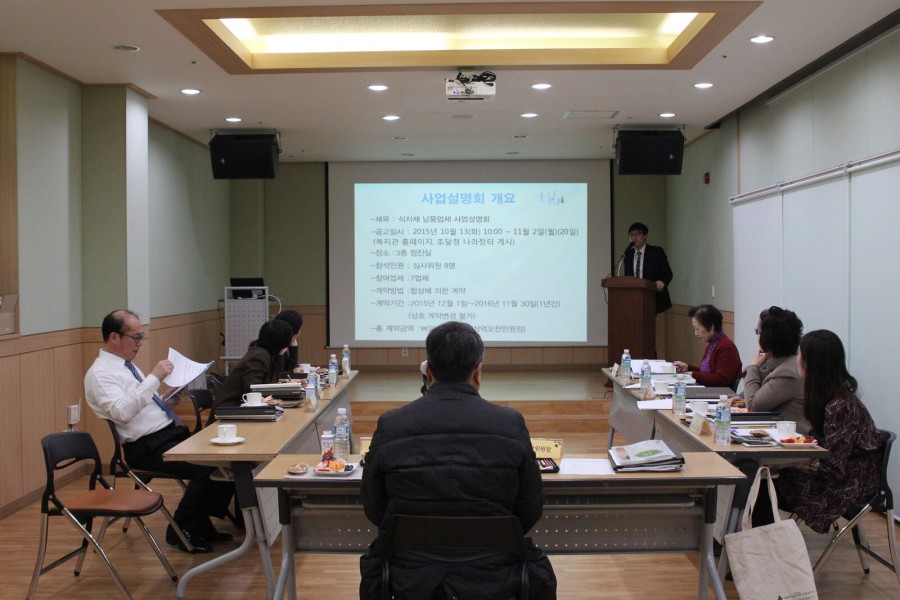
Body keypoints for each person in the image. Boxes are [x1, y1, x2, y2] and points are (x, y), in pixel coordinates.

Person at [359, 321, 557, 600]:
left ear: (428, 371)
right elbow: (530, 509)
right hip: (494, 575)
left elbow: (374, 507)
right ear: (478, 371)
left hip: (410, 576)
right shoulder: (510, 423)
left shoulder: (392, 424)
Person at [84, 309, 234, 553]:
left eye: (141, 337)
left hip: (167, 435)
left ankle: (199, 522)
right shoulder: (100, 374)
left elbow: (139, 404)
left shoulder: (126, 366)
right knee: (210, 468)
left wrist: (165, 401)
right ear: (114, 337)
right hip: (146, 448)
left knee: (228, 456)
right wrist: (154, 377)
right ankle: (180, 530)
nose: (140, 344)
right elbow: (122, 412)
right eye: (136, 338)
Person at [757, 330, 883, 532]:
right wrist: (800, 462)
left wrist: (802, 463)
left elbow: (834, 469)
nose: (797, 358)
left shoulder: (840, 406)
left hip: (849, 485)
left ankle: (765, 545)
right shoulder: (829, 396)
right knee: (764, 477)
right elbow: (822, 445)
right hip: (841, 475)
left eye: (800, 354)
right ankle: (763, 543)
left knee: (762, 484)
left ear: (810, 363)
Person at [732, 306, 809, 432]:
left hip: (790, 439)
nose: (758, 337)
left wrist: (753, 366)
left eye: (759, 332)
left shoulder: (787, 373)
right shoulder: (785, 363)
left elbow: (753, 407)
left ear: (767, 338)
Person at [209, 318, 293, 422]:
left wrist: (281, 355)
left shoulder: (265, 353)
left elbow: (272, 381)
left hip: (239, 410)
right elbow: (252, 389)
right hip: (227, 413)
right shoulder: (259, 356)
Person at [673, 304, 742, 389]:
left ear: (711, 326)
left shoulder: (726, 347)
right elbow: (707, 374)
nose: (696, 333)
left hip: (721, 395)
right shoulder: (713, 344)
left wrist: (693, 375)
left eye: (697, 329)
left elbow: (722, 380)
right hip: (710, 392)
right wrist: (688, 368)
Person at [623, 222, 673, 314]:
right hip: (634, 299)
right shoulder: (628, 255)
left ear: (645, 236)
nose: (634, 237)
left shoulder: (656, 252)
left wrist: (662, 283)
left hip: (654, 298)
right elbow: (627, 276)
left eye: (638, 234)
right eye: (632, 235)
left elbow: (668, 273)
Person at [274, 309, 303, 374]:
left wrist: (293, 348)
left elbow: (288, 368)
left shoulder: (281, 343)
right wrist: (291, 372)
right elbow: (273, 374)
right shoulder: (274, 347)